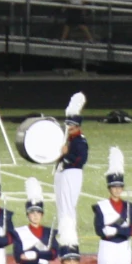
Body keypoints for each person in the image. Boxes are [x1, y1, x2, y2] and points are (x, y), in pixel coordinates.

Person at [53, 93, 89, 230]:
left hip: (72, 173)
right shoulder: (68, 139)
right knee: (61, 203)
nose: (69, 129)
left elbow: (81, 160)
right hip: (64, 172)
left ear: (78, 127)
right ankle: (63, 227)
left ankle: (69, 229)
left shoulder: (80, 141)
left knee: (68, 204)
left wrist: (66, 155)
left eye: (72, 127)